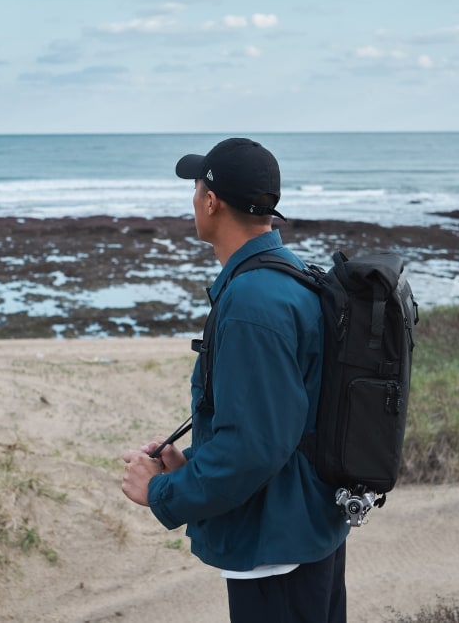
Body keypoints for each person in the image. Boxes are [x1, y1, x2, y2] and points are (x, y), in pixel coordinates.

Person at [121, 137, 349, 623]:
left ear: (210, 200)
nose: (194, 200)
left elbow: (254, 446)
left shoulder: (252, 302)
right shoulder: (291, 276)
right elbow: (282, 421)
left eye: (196, 187)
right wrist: (191, 463)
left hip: (275, 550)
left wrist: (161, 493)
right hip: (304, 531)